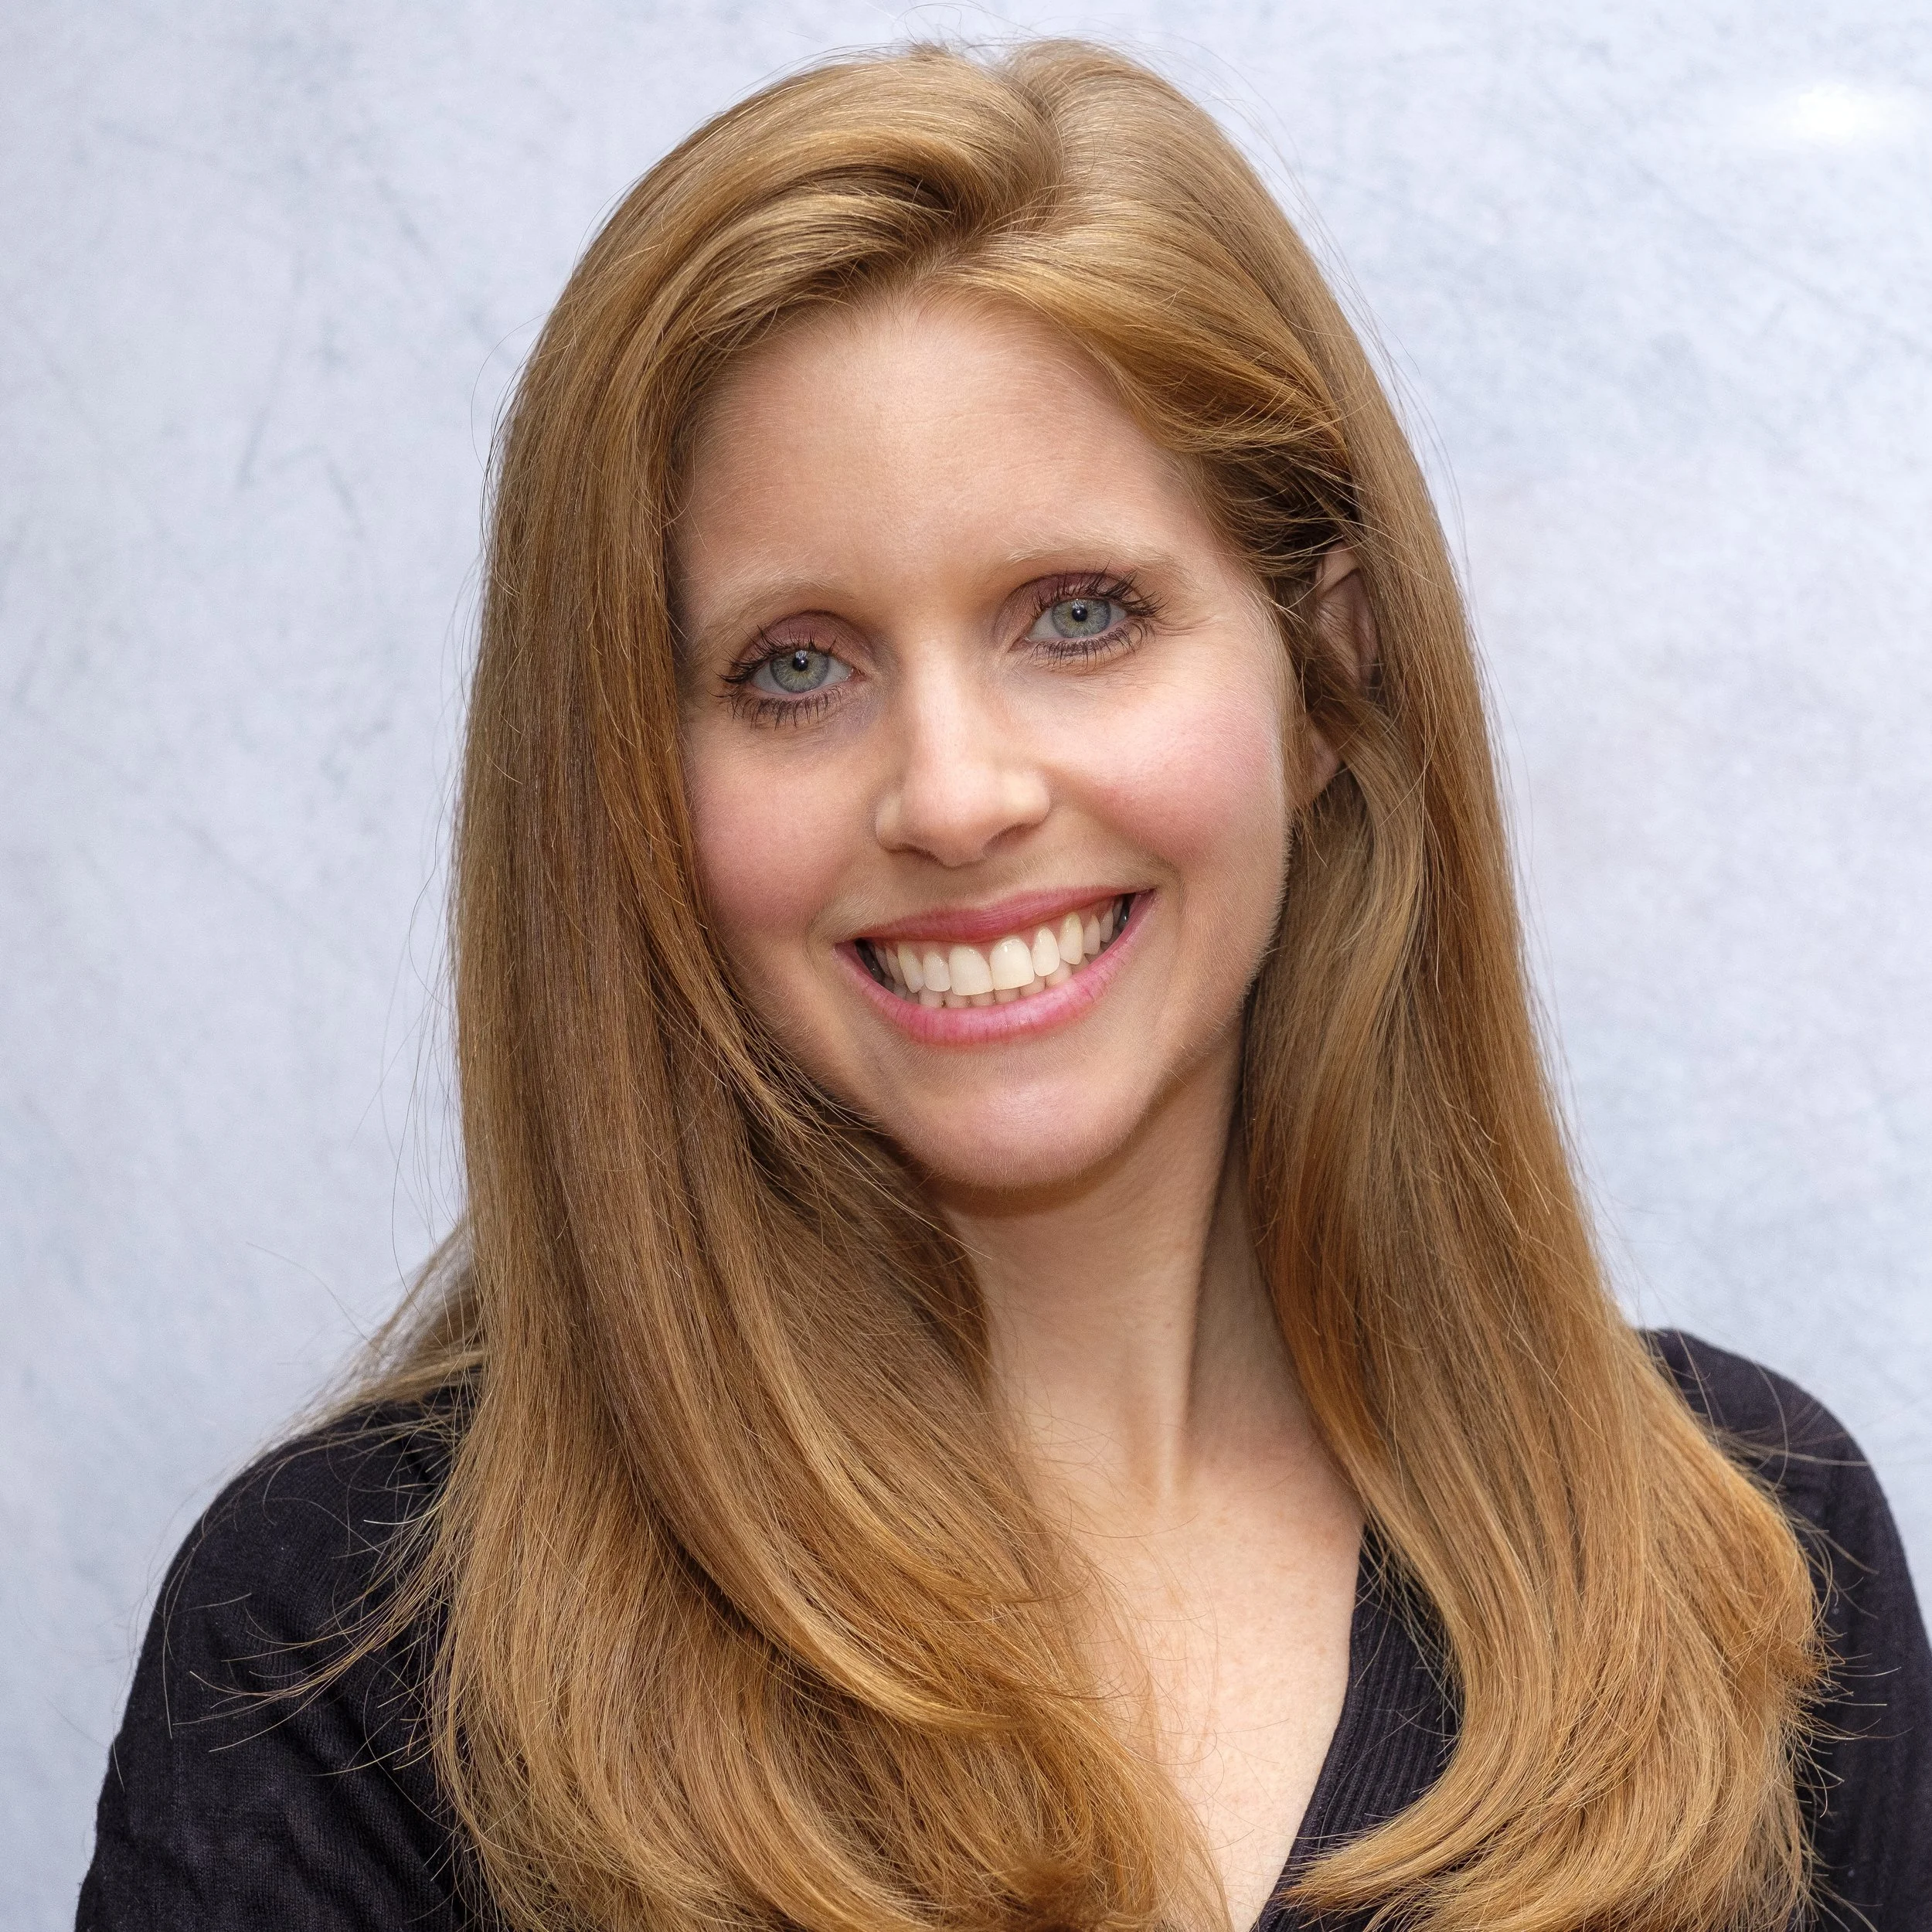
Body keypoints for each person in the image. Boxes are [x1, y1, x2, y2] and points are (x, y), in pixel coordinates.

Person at [77, 38, 1930, 1932]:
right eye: (794, 666)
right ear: (631, 785)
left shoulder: (1759, 1560)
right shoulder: (338, 1658)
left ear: (1326, 674)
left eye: (1079, 615)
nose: (955, 795)